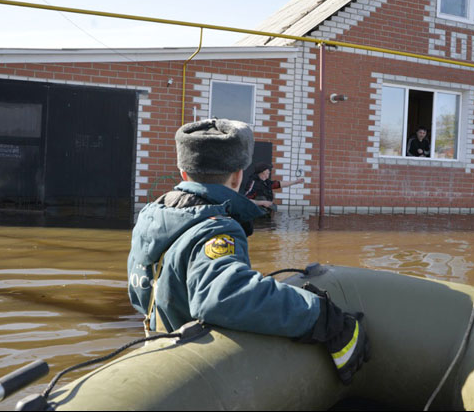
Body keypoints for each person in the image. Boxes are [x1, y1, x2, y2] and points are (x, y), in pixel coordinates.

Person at [127, 118, 369, 384]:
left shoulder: (150, 220)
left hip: (156, 355)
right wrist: (319, 315)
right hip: (191, 372)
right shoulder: (217, 228)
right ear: (238, 176)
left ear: (183, 174)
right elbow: (224, 295)